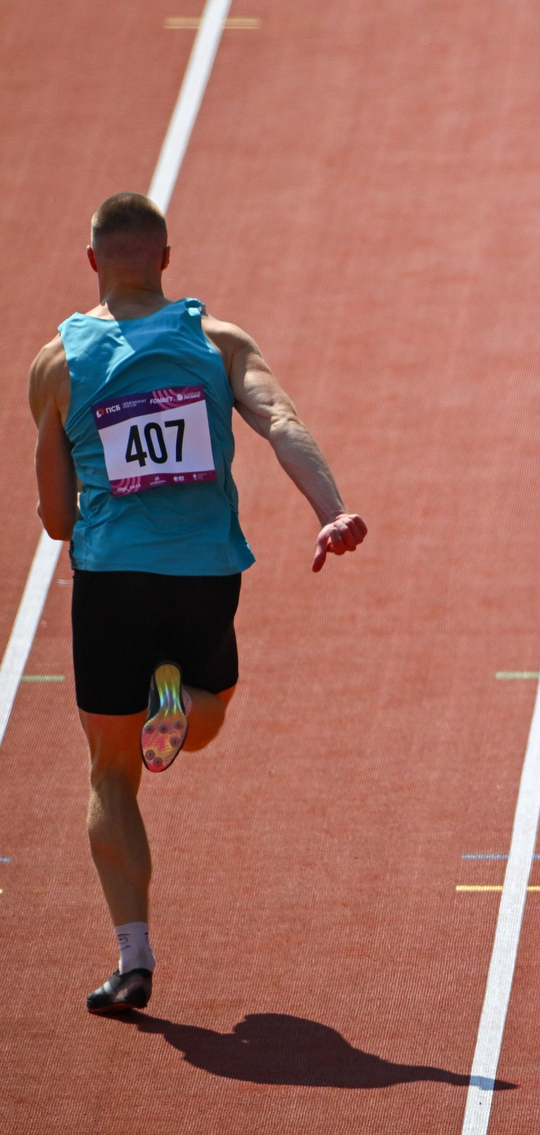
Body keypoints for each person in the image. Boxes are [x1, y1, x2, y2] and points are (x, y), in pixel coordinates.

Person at [26, 192, 367, 1014]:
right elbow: (280, 419)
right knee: (203, 716)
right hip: (205, 573)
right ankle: (175, 694)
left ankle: (133, 960)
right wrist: (332, 511)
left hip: (111, 579)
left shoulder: (58, 364)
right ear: (168, 259)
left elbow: (56, 518)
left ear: (93, 262)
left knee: (111, 771)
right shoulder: (215, 342)